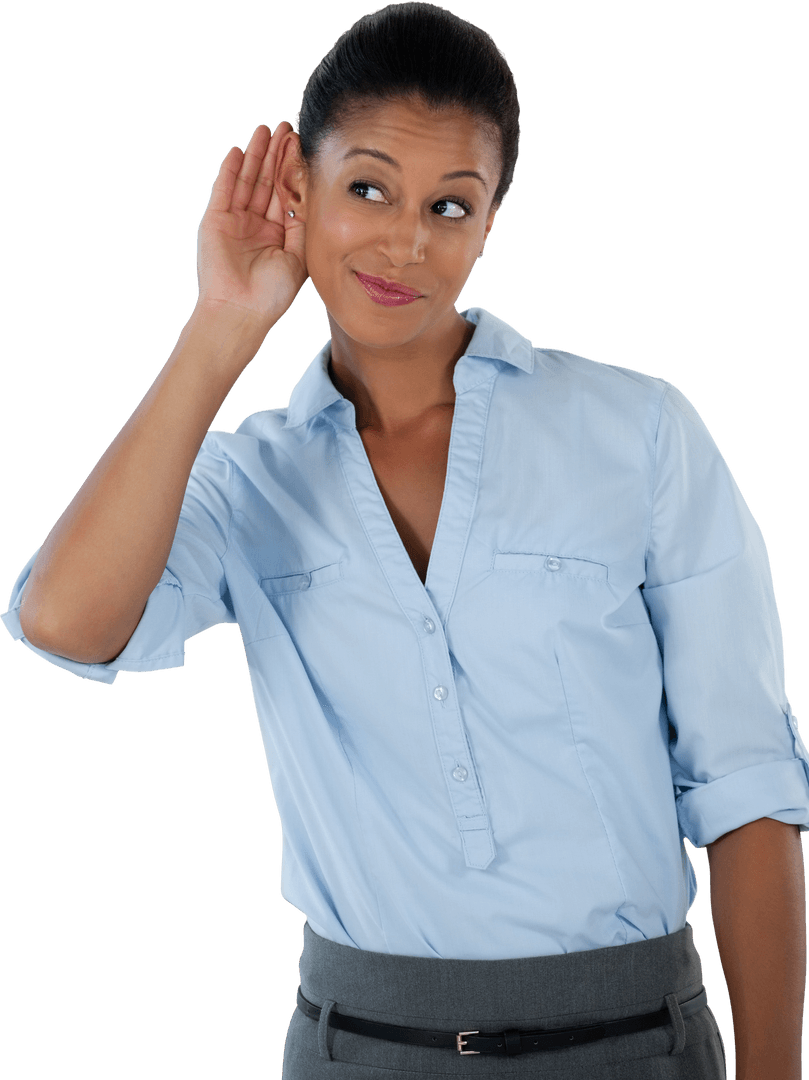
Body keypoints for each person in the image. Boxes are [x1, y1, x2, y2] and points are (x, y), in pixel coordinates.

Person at [2, 2, 807, 1077]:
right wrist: (221, 326)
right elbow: (63, 623)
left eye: (451, 205)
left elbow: (747, 789)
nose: (404, 241)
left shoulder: (638, 431)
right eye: (367, 188)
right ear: (301, 193)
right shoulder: (247, 478)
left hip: (633, 1046)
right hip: (357, 1050)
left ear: (489, 225)